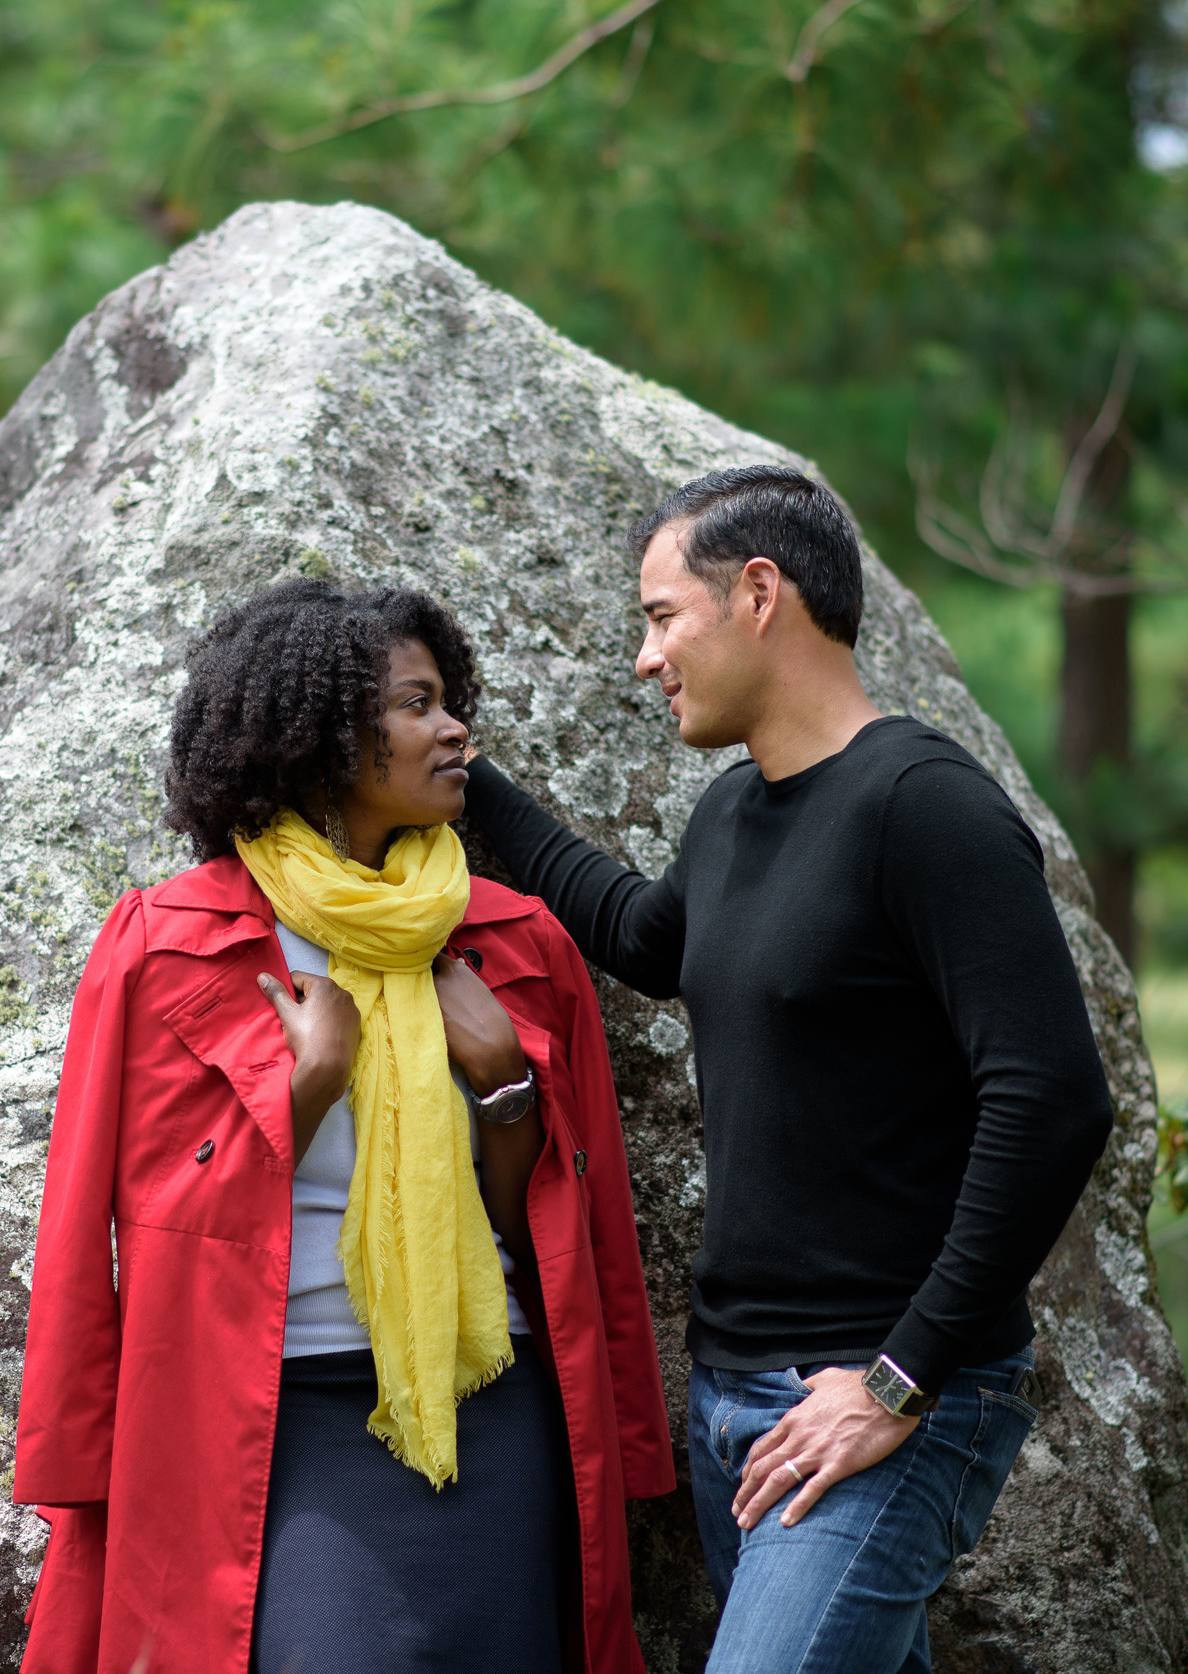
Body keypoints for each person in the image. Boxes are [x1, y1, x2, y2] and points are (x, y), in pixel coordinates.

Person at [460, 466, 1117, 1674]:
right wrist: (463, 774)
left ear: (759, 591)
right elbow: (639, 935)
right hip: (735, 1401)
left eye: (662, 616)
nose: (647, 657)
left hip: (883, 1400)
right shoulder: (731, 815)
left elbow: (1055, 1098)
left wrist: (896, 1378)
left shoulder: (925, 808)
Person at [14, 579, 675, 1674]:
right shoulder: (167, 940)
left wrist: (506, 1079)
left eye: (448, 699)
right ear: (321, 738)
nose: (455, 726)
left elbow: (573, 1224)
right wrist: (309, 1080)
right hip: (274, 1410)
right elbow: (104, 1221)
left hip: (489, 1401)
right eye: (417, 704)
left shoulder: (520, 942)